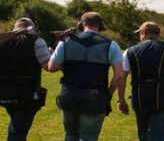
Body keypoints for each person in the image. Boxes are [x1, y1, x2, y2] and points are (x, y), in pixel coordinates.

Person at [48, 11, 123, 141]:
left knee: (70, 135)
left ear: (80, 25)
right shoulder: (111, 45)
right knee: (88, 138)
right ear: (101, 25)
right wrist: (109, 93)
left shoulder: (65, 42)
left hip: (69, 94)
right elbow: (119, 75)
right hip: (95, 96)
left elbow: (52, 67)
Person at [118, 21, 164, 141]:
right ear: (158, 34)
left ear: (143, 33)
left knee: (144, 137)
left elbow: (121, 76)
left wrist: (120, 100)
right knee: (158, 137)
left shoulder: (130, 51)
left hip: (140, 99)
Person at [0, 17, 51, 141]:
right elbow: (48, 66)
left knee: (16, 126)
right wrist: (53, 54)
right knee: (18, 131)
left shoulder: (4, 41)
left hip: (4, 92)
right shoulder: (37, 41)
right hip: (26, 94)